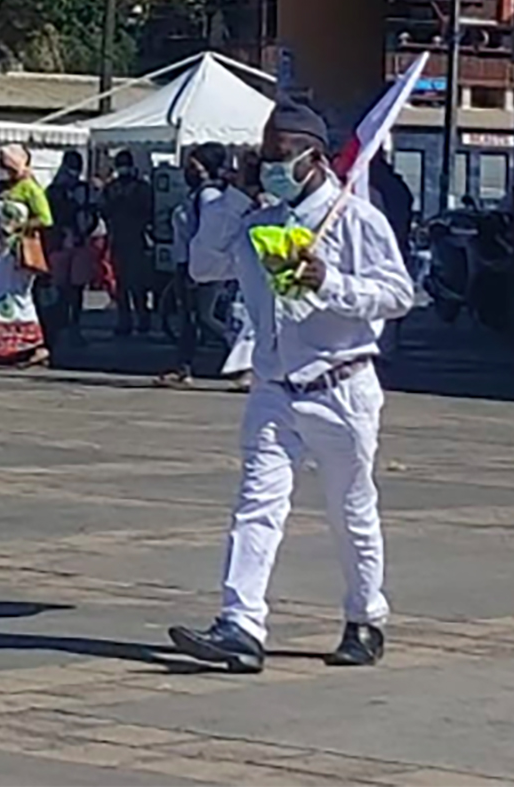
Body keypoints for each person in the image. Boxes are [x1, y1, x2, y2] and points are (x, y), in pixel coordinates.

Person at [169, 94, 415, 675]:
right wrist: (233, 198)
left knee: (350, 509)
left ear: (314, 159)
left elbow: (398, 294)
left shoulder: (356, 219)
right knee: (256, 505)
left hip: (341, 385)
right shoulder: (259, 222)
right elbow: (204, 265)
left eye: (281, 157)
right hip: (275, 389)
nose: (271, 167)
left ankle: (364, 617)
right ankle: (240, 624)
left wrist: (331, 283)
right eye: (264, 156)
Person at [157, 144, 254, 388]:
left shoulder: (208, 197)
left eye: (194, 166)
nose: (188, 171)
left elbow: (205, 236)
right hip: (189, 263)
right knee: (192, 318)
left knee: (203, 317)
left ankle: (242, 358)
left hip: (197, 266)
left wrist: (194, 268)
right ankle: (185, 367)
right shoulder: (200, 195)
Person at [0, 144, 54, 369]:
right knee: (19, 299)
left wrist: (19, 227)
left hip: (19, 252)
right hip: (1, 250)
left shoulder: (30, 188)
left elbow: (45, 218)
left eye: (5, 165)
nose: (0, 169)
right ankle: (35, 346)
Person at [103, 151, 158, 338]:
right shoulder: (117, 187)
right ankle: (129, 319)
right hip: (124, 238)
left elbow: (148, 211)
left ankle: (137, 318)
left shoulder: (138, 188)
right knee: (124, 283)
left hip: (132, 237)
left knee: (133, 282)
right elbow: (104, 210)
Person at [46, 150, 97, 343]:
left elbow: (94, 213)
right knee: (61, 287)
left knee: (76, 287)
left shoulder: (84, 189)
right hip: (61, 242)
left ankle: (73, 326)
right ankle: (60, 325)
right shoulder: (54, 190)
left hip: (77, 241)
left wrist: (83, 232)